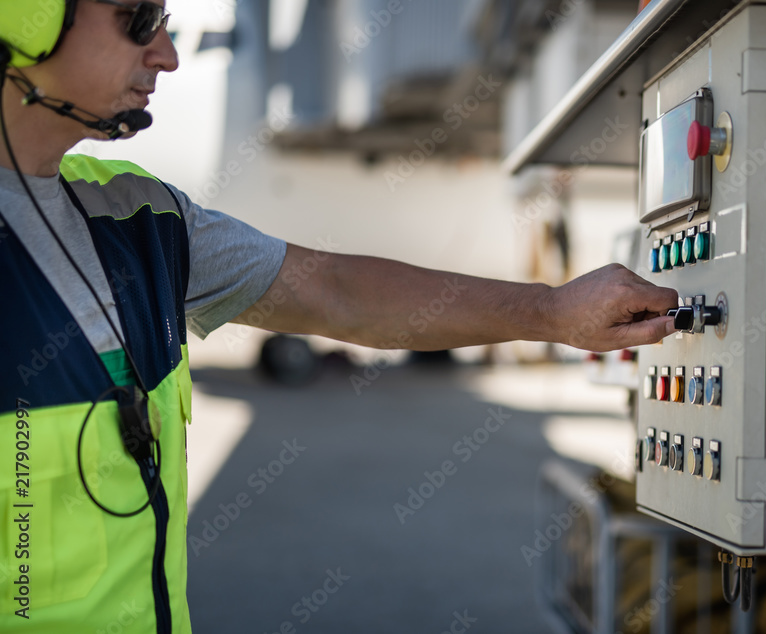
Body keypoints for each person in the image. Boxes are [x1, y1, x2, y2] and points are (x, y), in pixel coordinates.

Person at [0, 1, 679, 632]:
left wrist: (555, 312)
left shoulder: (141, 218)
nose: (167, 55)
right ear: (31, 17)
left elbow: (336, 292)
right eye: (139, 18)